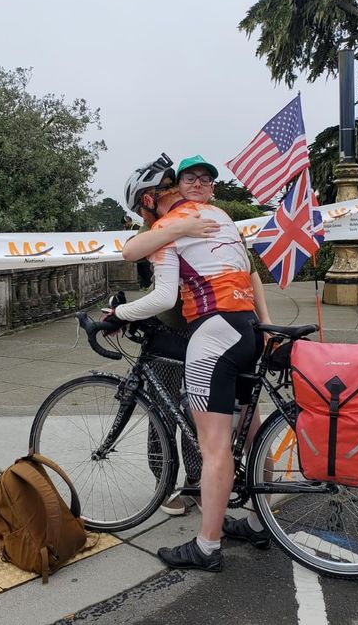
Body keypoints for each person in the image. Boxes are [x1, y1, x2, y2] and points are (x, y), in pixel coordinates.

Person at [107, 155, 267, 571]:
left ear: (147, 202)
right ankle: (257, 521)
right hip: (248, 329)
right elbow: (250, 275)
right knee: (252, 433)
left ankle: (206, 547)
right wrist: (267, 327)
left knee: (215, 449)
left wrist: (117, 316)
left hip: (213, 335)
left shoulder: (164, 229)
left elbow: (160, 297)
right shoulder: (220, 215)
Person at [120, 155, 207, 516]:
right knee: (166, 407)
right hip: (172, 328)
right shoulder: (161, 224)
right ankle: (169, 484)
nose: (179, 192)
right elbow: (133, 252)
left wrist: (119, 314)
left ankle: (198, 484)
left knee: (193, 410)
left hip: (199, 328)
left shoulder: (201, 219)